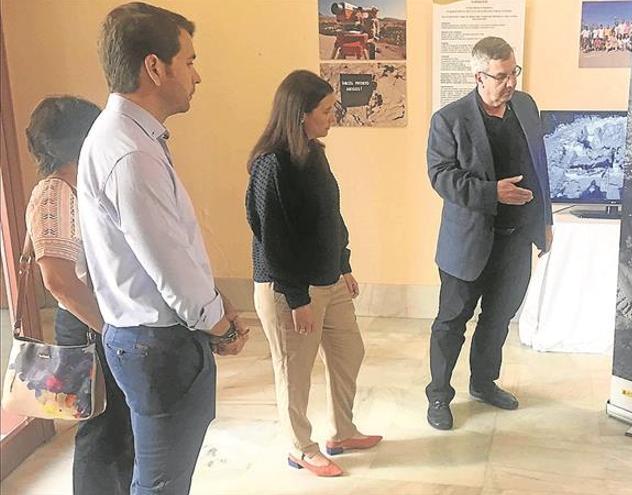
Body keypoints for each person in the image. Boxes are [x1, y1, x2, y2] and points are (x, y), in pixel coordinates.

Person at [77, 3, 248, 493]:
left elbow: (167, 248)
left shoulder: (129, 137)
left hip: (149, 340)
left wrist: (214, 304)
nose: (198, 76)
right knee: (161, 483)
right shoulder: (130, 152)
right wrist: (217, 323)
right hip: (157, 345)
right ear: (155, 66)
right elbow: (169, 267)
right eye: (190, 61)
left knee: (159, 475)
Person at [246, 70, 381, 477]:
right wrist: (297, 299)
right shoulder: (272, 166)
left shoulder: (314, 153)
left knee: (349, 352)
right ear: (299, 113)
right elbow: (274, 239)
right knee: (294, 372)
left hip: (328, 279)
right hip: (289, 288)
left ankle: (341, 432)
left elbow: (330, 217)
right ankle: (300, 447)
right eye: (325, 110)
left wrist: (343, 264)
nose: (332, 116)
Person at [425, 36, 553, 430]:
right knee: (451, 323)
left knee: (498, 319)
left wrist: (545, 220)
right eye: (502, 76)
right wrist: (490, 192)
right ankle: (439, 397)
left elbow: (539, 165)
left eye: (514, 72)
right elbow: (441, 177)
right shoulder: (449, 119)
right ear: (479, 76)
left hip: (515, 240)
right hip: (468, 244)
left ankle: (483, 383)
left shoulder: (526, 107)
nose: (510, 82)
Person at [24, 96, 135, 495]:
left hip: (101, 320)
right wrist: (110, 329)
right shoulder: (54, 193)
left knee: (120, 426)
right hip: (89, 326)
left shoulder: (79, 186)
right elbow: (58, 280)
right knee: (101, 429)